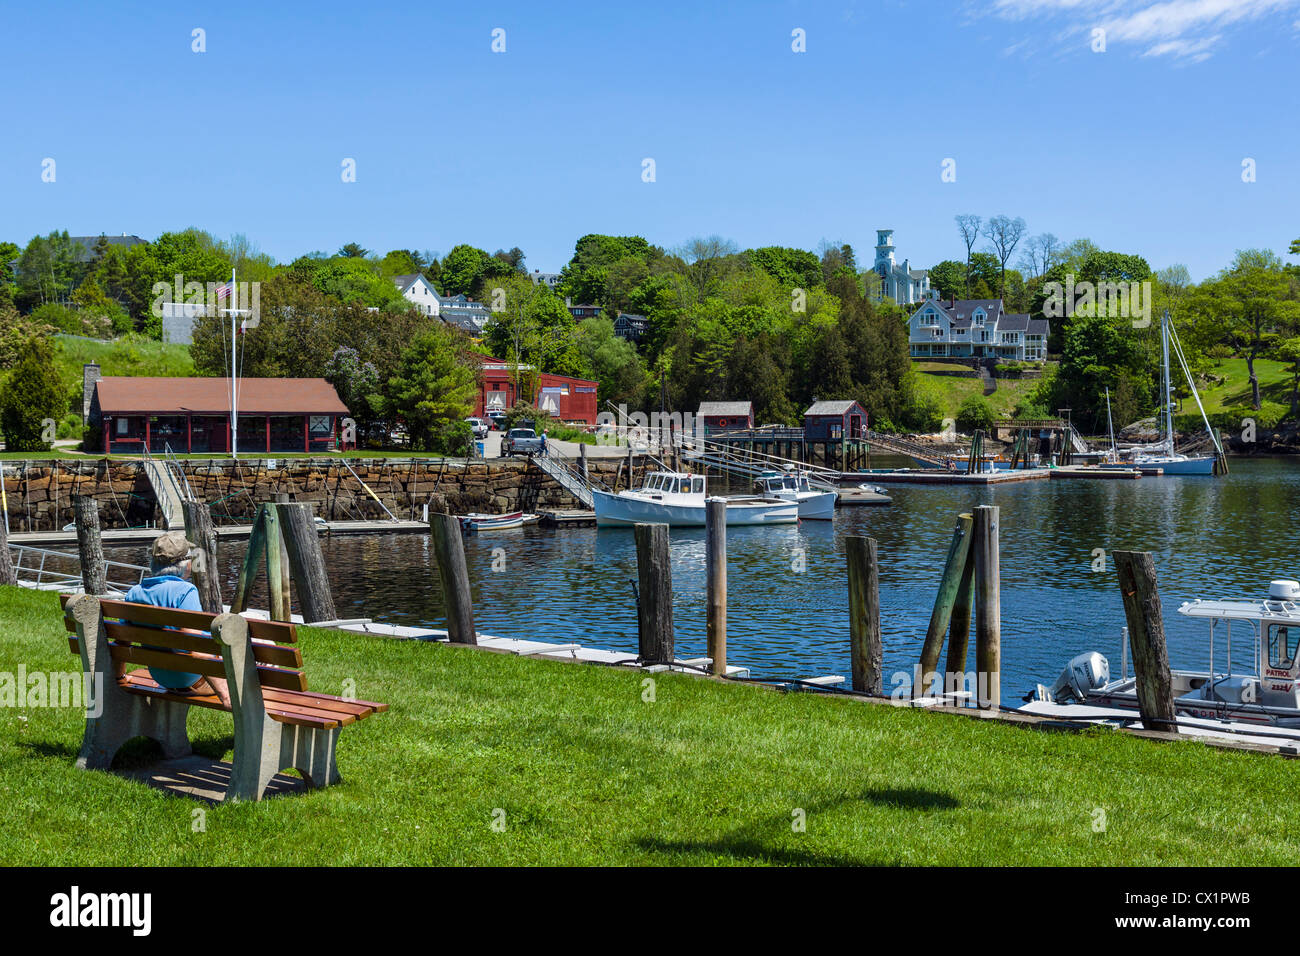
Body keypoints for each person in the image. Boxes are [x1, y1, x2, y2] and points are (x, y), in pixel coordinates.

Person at [123, 531, 229, 704]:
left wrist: (120, 677)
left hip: (162, 678)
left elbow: (123, 641)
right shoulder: (185, 592)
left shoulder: (134, 593)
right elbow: (196, 648)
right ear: (185, 564)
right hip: (193, 681)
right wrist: (225, 695)